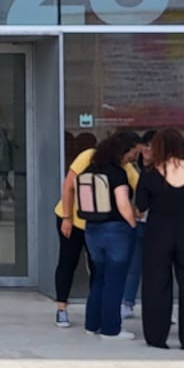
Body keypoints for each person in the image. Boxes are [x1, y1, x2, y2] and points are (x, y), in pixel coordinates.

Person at [133, 128, 184, 351]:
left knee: (156, 284)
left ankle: (157, 337)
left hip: (158, 230)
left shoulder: (150, 173)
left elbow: (141, 205)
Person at [54, 130, 140, 328]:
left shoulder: (125, 167)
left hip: (95, 225)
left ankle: (96, 313)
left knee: (96, 269)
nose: (134, 158)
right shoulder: (89, 156)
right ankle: (61, 308)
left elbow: (139, 186)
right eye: (133, 153)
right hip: (73, 218)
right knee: (68, 261)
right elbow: (68, 186)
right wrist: (67, 217)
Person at [119, 129, 156, 321]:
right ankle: (127, 303)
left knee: (156, 268)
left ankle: (158, 305)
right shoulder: (136, 170)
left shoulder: (166, 171)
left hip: (158, 226)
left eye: (152, 146)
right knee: (134, 266)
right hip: (139, 224)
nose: (148, 149)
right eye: (146, 145)